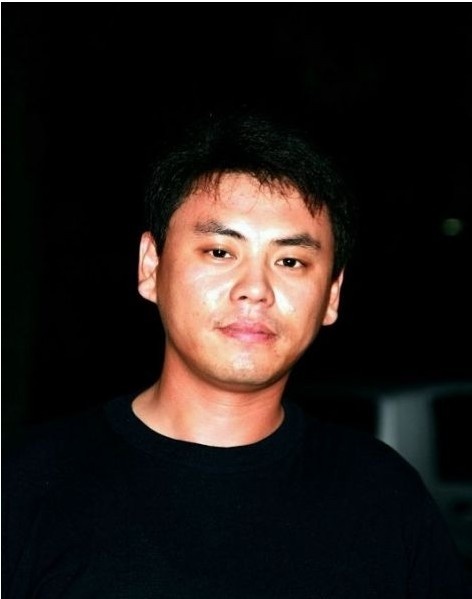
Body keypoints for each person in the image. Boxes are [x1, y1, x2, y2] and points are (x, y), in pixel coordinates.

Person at [3, 109, 469, 598]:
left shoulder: (384, 498)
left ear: (332, 295)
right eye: (220, 252)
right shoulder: (26, 485)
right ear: (151, 266)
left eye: (290, 261)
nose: (255, 289)